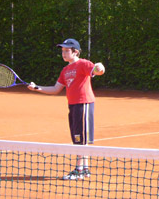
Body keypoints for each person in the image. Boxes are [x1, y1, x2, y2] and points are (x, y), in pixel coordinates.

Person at [28, 38, 105, 180]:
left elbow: (97, 71)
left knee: (80, 139)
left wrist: (100, 68)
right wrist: (37, 88)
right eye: (62, 50)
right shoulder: (65, 70)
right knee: (78, 138)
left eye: (66, 50)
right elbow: (56, 89)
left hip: (84, 104)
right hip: (73, 105)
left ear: (75, 52)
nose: (63, 53)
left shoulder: (83, 63)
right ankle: (85, 169)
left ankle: (79, 170)